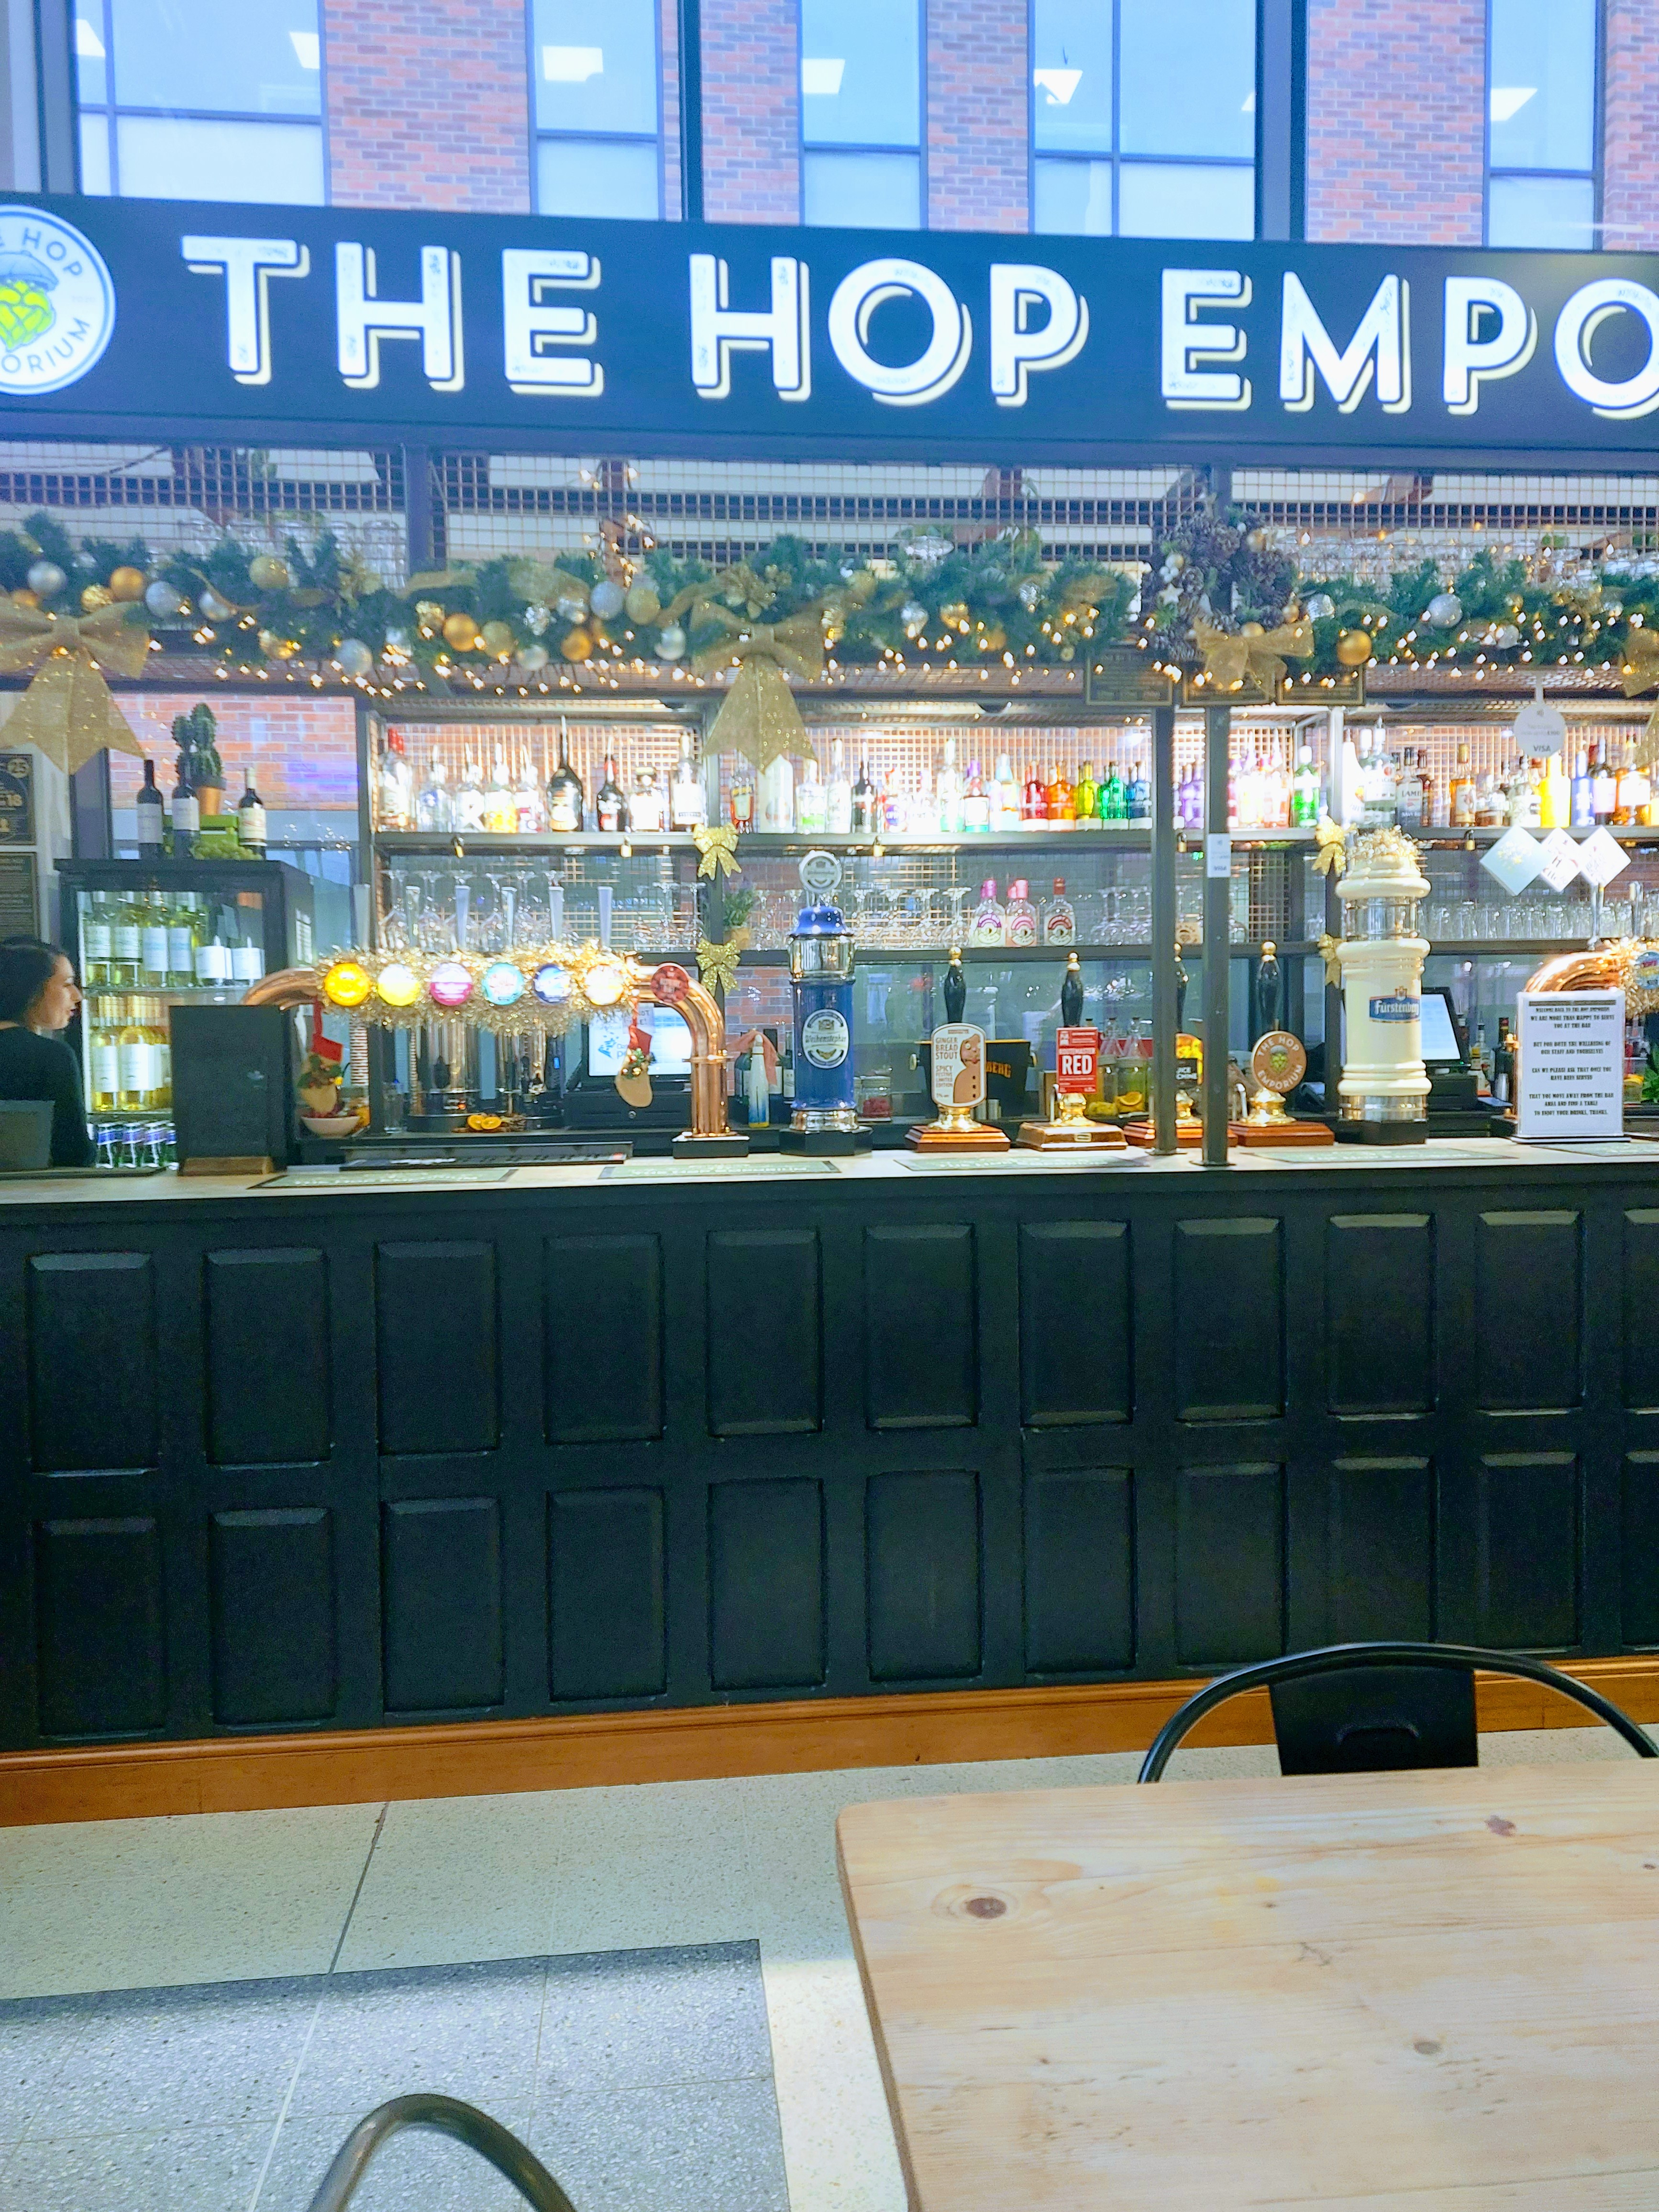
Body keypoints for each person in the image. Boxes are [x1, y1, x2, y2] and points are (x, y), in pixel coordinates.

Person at [0, 938, 94, 1166]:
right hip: (34, 1188)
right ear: (32, 991)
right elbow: (74, 1154)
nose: (77, 996)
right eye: (67, 984)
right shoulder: (51, 1057)